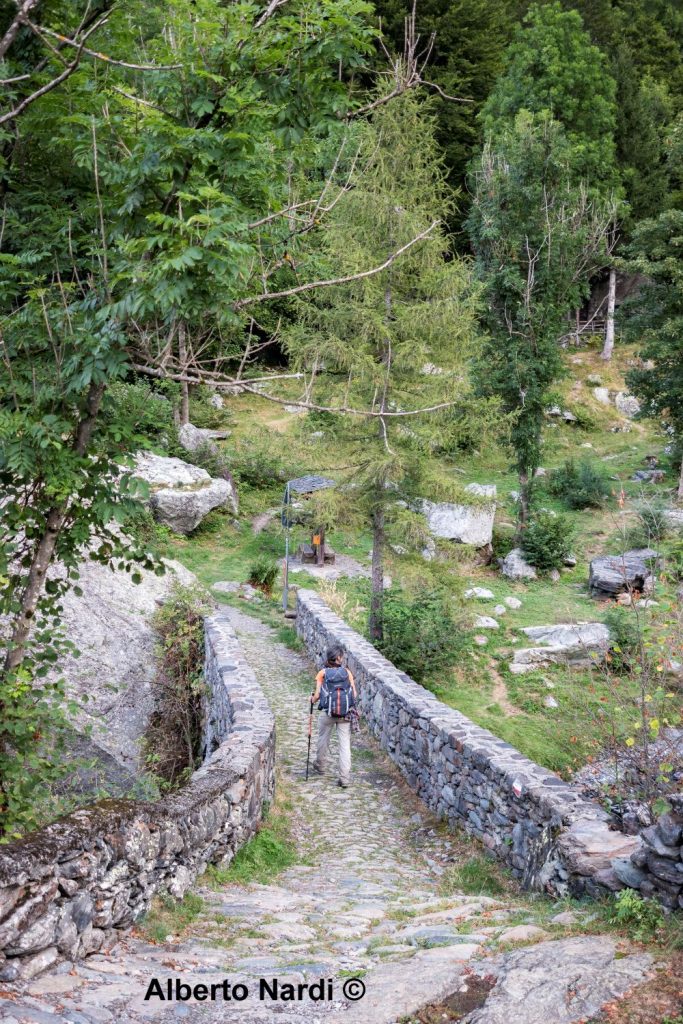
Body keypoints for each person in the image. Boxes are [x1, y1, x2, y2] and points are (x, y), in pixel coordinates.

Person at [311, 645, 357, 788]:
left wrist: (311, 700)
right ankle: (344, 778)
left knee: (323, 739)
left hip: (328, 714)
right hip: (345, 714)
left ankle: (320, 765)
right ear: (339, 658)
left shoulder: (322, 673)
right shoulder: (347, 673)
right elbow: (354, 695)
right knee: (344, 744)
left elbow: (317, 695)